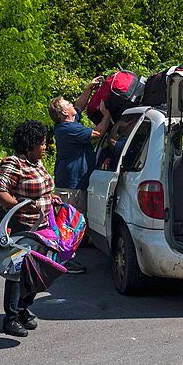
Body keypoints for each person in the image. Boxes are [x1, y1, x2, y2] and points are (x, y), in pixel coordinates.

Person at [0, 120, 56, 337]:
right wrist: (21, 206)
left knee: (36, 272)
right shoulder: (13, 163)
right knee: (16, 272)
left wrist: (49, 200)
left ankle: (24, 307)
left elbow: (41, 189)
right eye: (42, 144)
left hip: (40, 226)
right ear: (30, 144)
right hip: (19, 226)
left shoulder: (36, 163)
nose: (45, 147)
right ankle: (11, 318)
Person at [48, 78, 112, 274]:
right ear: (64, 113)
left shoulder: (68, 122)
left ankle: (69, 253)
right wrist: (107, 114)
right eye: (67, 104)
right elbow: (99, 132)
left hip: (74, 182)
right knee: (67, 223)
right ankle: (63, 261)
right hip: (71, 184)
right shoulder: (69, 129)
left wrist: (89, 88)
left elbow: (79, 105)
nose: (72, 104)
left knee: (73, 220)